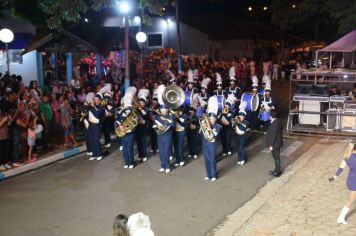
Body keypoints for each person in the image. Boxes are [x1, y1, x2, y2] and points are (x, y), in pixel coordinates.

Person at [329, 143, 356, 225]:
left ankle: (340, 218)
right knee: (351, 200)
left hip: (350, 179)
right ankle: (340, 218)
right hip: (355, 181)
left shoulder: (347, 156)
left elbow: (340, 168)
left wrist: (334, 177)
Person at [153, 102, 175, 173]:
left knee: (166, 151)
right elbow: (154, 124)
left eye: (164, 109)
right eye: (161, 109)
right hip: (160, 136)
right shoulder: (157, 116)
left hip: (167, 136)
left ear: (167, 110)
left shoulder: (171, 116)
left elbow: (173, 124)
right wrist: (156, 127)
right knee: (161, 152)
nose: (162, 111)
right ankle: (163, 166)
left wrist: (165, 120)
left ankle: (167, 166)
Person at [200, 112, 221, 181]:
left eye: (212, 119)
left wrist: (210, 129)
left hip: (212, 144)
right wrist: (203, 126)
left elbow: (216, 135)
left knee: (212, 159)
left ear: (215, 119)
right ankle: (208, 175)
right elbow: (200, 134)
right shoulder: (206, 125)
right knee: (206, 160)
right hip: (205, 143)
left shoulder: (217, 126)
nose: (210, 120)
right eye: (209, 118)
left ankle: (213, 175)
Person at [265, 110, 283, 177]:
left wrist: (271, 145)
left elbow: (273, 135)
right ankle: (276, 170)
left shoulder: (274, 124)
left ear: (271, 116)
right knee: (276, 158)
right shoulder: (278, 121)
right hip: (277, 143)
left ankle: (277, 172)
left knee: (276, 158)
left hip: (275, 144)